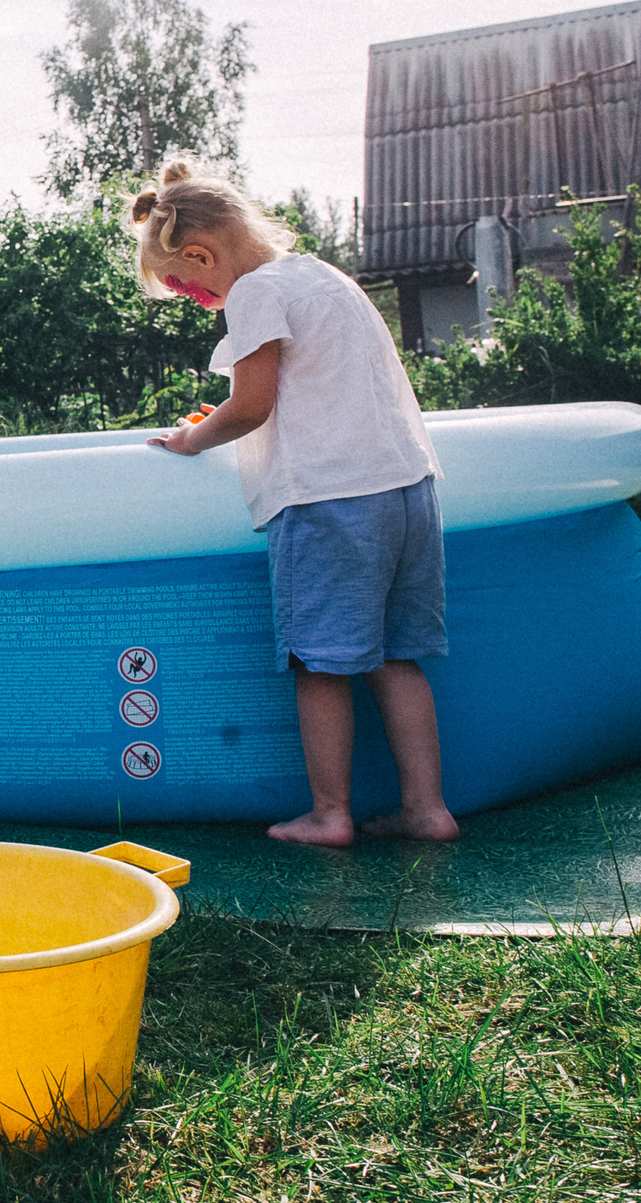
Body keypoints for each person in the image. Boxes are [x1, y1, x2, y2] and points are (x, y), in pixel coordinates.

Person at [133, 159, 459, 848]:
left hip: (329, 502)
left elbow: (251, 405)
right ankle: (427, 808)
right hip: (407, 488)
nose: (199, 300)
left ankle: (329, 813)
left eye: (189, 286)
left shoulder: (255, 292)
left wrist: (195, 437)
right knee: (397, 656)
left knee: (319, 661)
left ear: (201, 252)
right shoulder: (321, 274)